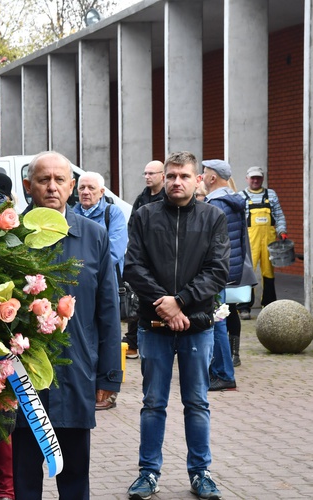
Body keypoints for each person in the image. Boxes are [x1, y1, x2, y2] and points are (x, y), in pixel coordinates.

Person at [13, 151, 122, 500]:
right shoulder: (9, 235)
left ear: (72, 186)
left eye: (60, 180)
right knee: (24, 478)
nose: (51, 187)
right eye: (43, 180)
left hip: (76, 372)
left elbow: (108, 310)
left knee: (75, 479)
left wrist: (109, 375)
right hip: (21, 376)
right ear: (28, 185)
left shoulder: (93, 236)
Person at [124, 151, 229, 500]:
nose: (176, 182)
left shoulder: (213, 218)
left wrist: (180, 300)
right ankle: (148, 473)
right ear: (163, 178)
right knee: (153, 402)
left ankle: (200, 473)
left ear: (198, 179)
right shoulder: (143, 216)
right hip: (154, 325)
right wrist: (166, 306)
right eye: (171, 176)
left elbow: (217, 270)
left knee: (197, 402)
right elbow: (133, 268)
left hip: (196, 326)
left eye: (184, 176)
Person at [72, 170, 128, 411]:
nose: (85, 192)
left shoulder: (112, 213)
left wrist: (79, 265)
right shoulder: (71, 214)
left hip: (103, 284)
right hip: (75, 286)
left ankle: (107, 389)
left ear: (102, 192)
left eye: (91, 188)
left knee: (106, 334)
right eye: (82, 187)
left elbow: (115, 250)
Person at [202, 160, 247, 391]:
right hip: (226, 269)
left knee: (217, 321)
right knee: (218, 319)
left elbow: (211, 242)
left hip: (215, 272)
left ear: (212, 178)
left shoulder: (217, 204)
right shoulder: (233, 200)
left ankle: (223, 374)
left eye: (204, 173)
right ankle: (220, 371)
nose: (201, 176)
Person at [122, 160, 166, 359]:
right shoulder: (142, 198)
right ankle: (132, 341)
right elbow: (132, 225)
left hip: (162, 256)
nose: (147, 177)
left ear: (162, 175)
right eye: (145, 173)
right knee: (136, 297)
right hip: (143, 255)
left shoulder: (168, 198)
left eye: (152, 173)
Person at [237, 166, 287, 320]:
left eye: (258, 177)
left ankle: (270, 305)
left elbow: (279, 215)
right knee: (247, 273)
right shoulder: (241, 196)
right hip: (249, 241)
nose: (255, 180)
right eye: (252, 177)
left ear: (262, 178)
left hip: (269, 241)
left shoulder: (271, 195)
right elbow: (237, 220)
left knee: (268, 273)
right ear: (247, 178)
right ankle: (244, 307)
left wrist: (282, 231)